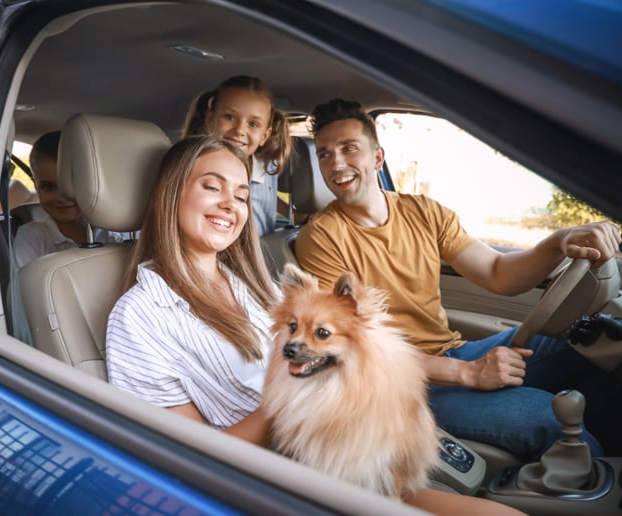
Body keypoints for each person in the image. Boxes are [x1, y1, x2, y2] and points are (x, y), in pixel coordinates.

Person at [105, 134, 524, 515]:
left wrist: (456, 374)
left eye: (240, 194)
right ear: (171, 192)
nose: (231, 205)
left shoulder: (257, 286)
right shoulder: (140, 317)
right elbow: (183, 461)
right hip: (284, 485)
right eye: (212, 187)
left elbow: (357, 345)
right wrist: (287, 402)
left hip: (351, 459)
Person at [295, 98, 622, 462]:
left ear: (378, 158)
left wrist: (556, 243)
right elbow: (355, 349)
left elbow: (496, 272)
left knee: (588, 340)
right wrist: (469, 374)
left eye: (349, 149)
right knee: (548, 416)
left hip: (451, 353)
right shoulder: (320, 239)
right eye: (325, 155)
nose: (337, 164)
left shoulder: (423, 212)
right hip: (400, 387)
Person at [182, 75, 306, 236]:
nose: (239, 130)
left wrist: (296, 216)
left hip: (259, 254)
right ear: (210, 118)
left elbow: (264, 199)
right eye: (229, 117)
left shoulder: (265, 166)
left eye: (253, 124)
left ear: (264, 136)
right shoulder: (192, 166)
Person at [14, 131, 127, 268]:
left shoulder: (119, 233)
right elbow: (26, 287)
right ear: (36, 186)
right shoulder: (32, 238)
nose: (62, 197)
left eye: (73, 185)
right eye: (48, 187)